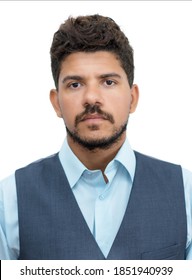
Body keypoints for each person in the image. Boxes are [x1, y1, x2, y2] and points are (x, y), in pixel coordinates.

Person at [0, 14, 192, 260]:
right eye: (75, 85)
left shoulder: (185, 192)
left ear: (132, 98)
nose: (92, 97)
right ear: (56, 102)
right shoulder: (10, 199)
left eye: (108, 82)